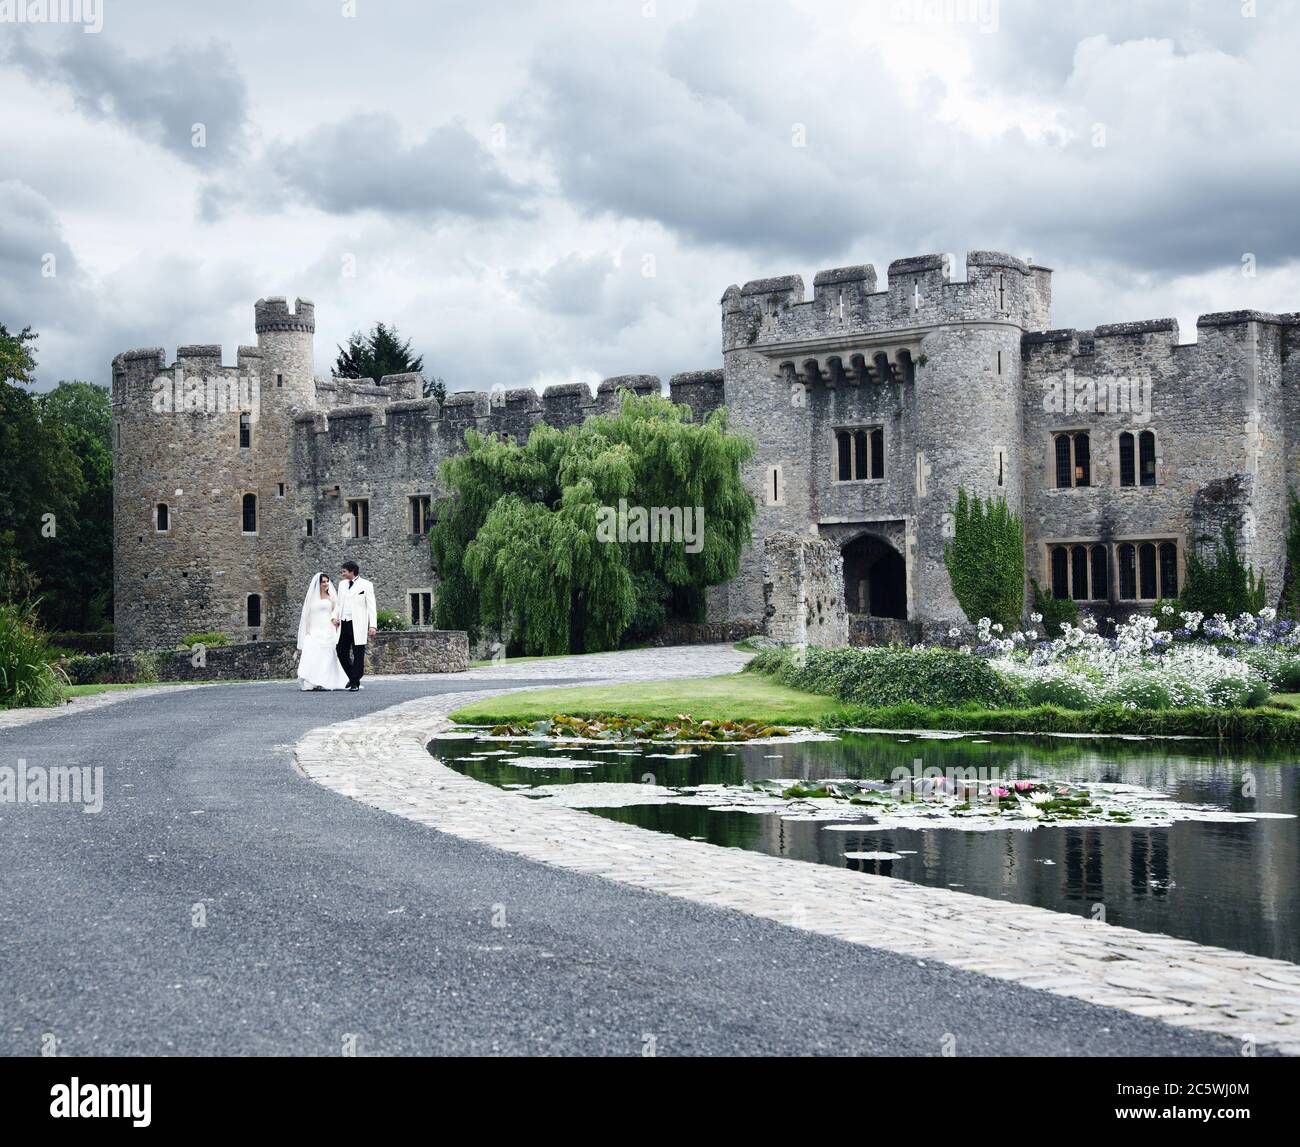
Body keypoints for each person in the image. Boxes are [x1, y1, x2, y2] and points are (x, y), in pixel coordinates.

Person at [295, 572, 350, 691]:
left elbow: (337, 609)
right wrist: (307, 630)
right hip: (314, 629)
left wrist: (335, 619)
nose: (326, 584)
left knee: (327, 655)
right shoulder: (311, 598)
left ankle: (325, 680)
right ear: (318, 584)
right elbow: (307, 616)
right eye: (323, 582)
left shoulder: (331, 597)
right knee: (312, 653)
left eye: (327, 581)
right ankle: (313, 680)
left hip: (327, 628)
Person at [335, 559, 377, 691]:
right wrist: (335, 617)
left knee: (358, 653)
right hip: (344, 623)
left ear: (352, 572)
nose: (342, 574)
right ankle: (353, 677)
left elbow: (371, 606)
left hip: (358, 624)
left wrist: (373, 625)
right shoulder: (342, 585)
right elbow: (338, 603)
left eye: (344, 572)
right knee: (341, 651)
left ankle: (354, 682)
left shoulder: (366, 585)